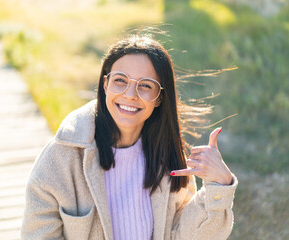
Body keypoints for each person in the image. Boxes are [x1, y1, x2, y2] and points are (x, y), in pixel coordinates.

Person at [21, 35, 238, 240]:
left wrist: (218, 186)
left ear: (160, 97)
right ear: (105, 85)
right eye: (120, 80)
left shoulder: (167, 157)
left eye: (145, 85)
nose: (130, 94)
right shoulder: (60, 158)